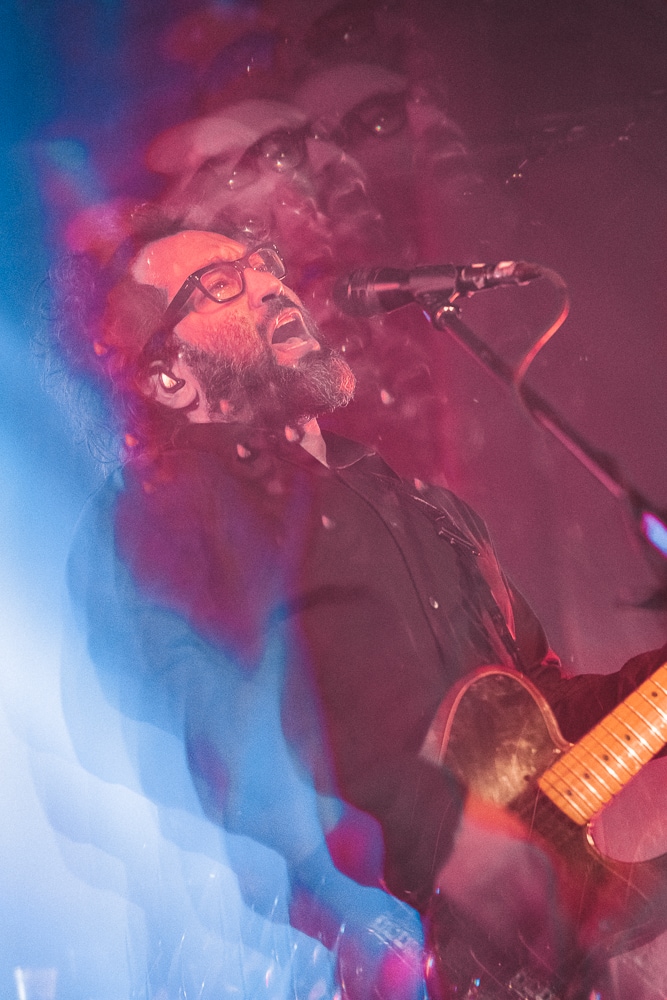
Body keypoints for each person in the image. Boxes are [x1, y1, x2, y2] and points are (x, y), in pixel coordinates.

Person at [65, 222, 666, 999]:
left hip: (529, 963)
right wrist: (437, 843)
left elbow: (542, 710)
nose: (268, 284)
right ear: (168, 377)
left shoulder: (426, 509)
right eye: (220, 283)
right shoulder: (171, 510)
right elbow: (216, 742)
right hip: (361, 961)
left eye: (264, 265)